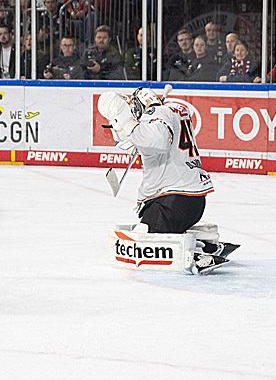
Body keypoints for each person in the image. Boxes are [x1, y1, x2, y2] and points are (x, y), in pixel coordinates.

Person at [98, 86, 234, 273]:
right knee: (149, 231)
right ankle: (206, 246)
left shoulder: (156, 113)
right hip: (192, 201)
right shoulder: (175, 111)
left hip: (172, 201)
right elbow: (153, 143)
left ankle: (198, 253)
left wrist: (128, 123)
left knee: (142, 238)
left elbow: (158, 141)